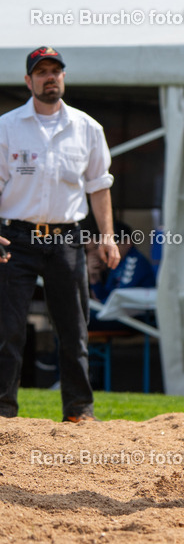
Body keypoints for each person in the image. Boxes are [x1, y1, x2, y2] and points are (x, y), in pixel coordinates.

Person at [0, 46, 120, 422]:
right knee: (9, 329)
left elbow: (99, 186)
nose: (50, 77)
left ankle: (79, 411)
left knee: (74, 328)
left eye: (56, 71)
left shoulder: (87, 127)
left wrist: (108, 236)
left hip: (67, 238)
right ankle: (3, 412)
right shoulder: (7, 126)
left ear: (63, 77)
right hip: (15, 238)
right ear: (28, 81)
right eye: (42, 72)